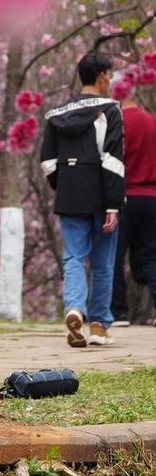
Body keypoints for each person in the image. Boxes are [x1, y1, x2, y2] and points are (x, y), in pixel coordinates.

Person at [40, 51, 124, 349]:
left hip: (70, 192)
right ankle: (99, 326)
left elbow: (48, 161)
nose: (112, 80)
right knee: (103, 262)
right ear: (102, 76)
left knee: (74, 256)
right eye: (110, 75)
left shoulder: (56, 114)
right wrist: (113, 204)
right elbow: (113, 159)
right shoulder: (110, 110)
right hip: (102, 193)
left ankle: (75, 308)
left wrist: (64, 186)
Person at [110, 86, 156, 326]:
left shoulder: (117, 123)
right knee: (150, 255)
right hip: (151, 197)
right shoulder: (151, 122)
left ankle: (118, 312)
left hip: (124, 197)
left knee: (114, 255)